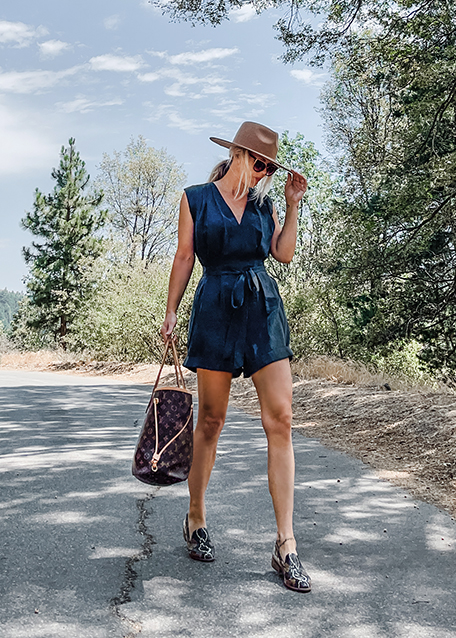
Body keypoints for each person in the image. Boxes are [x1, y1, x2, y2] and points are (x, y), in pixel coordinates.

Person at [161, 121, 311, 593]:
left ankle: (285, 545)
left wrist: (291, 206)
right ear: (240, 156)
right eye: (259, 162)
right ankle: (196, 517)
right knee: (210, 420)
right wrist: (169, 313)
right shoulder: (196, 199)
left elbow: (283, 255)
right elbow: (184, 258)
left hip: (262, 308)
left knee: (281, 419)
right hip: (214, 310)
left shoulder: (267, 206)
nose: (264, 172)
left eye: (270, 166)